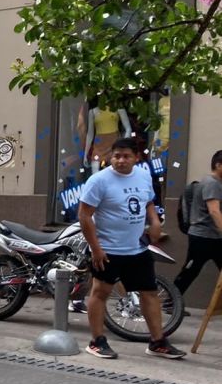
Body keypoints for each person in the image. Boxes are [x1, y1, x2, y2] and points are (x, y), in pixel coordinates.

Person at [79, 138, 185, 359]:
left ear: (136, 157)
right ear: (111, 157)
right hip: (107, 249)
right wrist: (96, 248)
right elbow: (84, 215)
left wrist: (155, 221)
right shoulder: (99, 181)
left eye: (126, 156)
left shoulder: (143, 175)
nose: (120, 161)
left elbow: (147, 201)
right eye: (116, 156)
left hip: (137, 249)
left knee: (149, 292)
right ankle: (96, 341)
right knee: (100, 293)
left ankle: (157, 342)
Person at [174, 150, 222, 294]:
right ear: (219, 165)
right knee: (191, 270)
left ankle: (172, 302)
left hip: (213, 236)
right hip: (203, 237)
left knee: (191, 270)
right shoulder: (212, 183)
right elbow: (214, 211)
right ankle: (171, 302)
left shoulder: (214, 183)